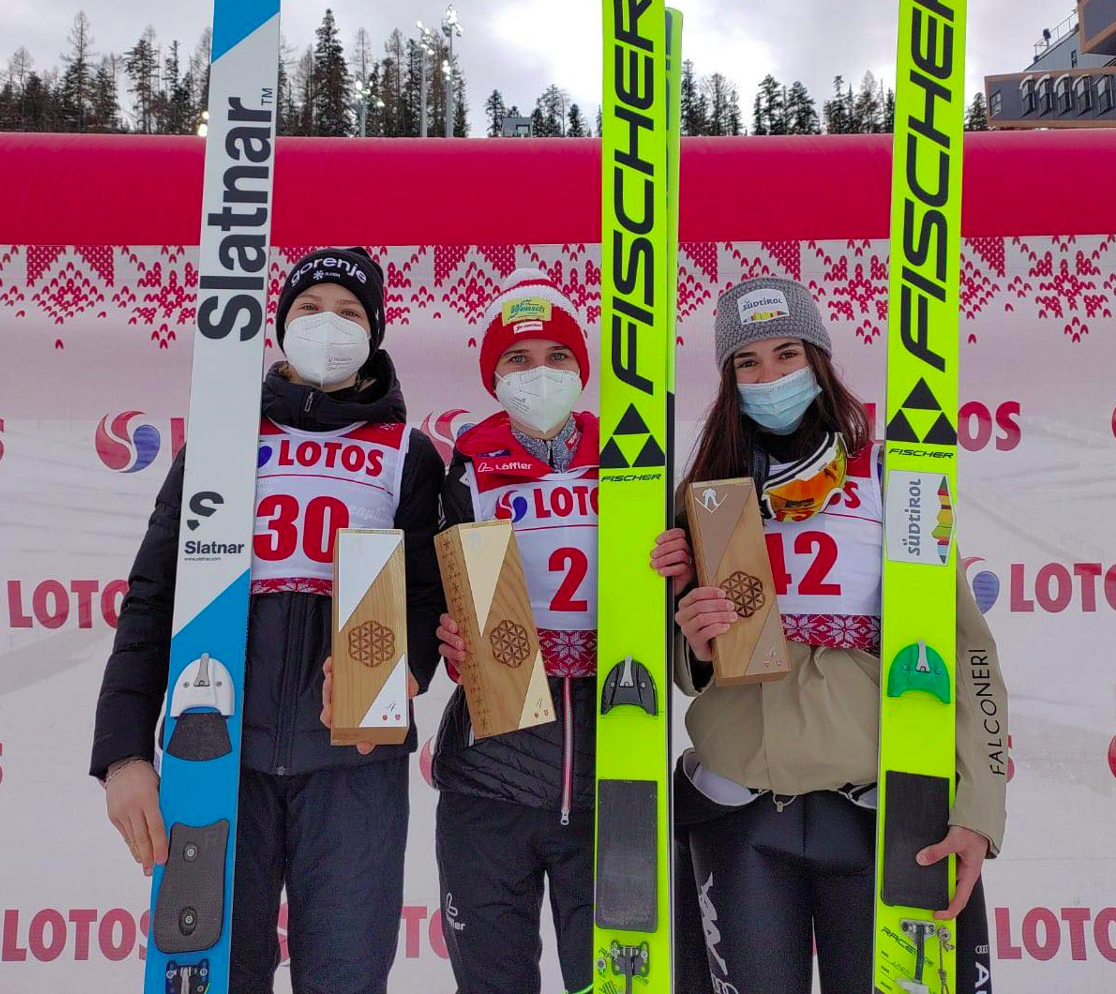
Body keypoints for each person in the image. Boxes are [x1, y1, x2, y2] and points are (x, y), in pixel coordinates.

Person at [91, 247, 445, 994]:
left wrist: (405, 669)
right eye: (310, 309)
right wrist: (123, 753)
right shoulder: (221, 445)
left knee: (347, 978)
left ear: (375, 334)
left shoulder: (408, 457)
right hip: (218, 760)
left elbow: (425, 596)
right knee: (213, 973)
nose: (328, 326)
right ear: (281, 327)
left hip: (354, 769)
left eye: (349, 313)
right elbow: (155, 596)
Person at [649, 277, 1007, 994]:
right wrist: (691, 629)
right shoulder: (706, 492)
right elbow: (678, 667)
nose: (770, 377)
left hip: (885, 813)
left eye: (787, 354)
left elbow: (966, 649)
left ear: (820, 358)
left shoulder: (894, 478)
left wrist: (979, 809)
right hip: (741, 808)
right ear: (728, 381)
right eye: (747, 363)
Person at [431, 268, 600, 994]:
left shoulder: (635, 457)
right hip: (491, 776)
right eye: (517, 359)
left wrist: (680, 572)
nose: (540, 374)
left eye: (558, 356)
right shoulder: (465, 469)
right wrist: (445, 637)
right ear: (493, 378)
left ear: (583, 369)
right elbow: (437, 598)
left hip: (610, 775)